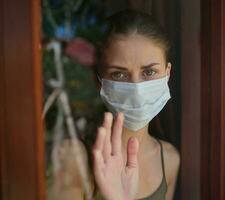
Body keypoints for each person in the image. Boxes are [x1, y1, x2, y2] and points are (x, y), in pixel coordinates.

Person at [49, 9, 180, 200]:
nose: (136, 88)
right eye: (119, 74)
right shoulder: (75, 159)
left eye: (149, 72)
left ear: (167, 73)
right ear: (98, 80)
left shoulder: (169, 159)